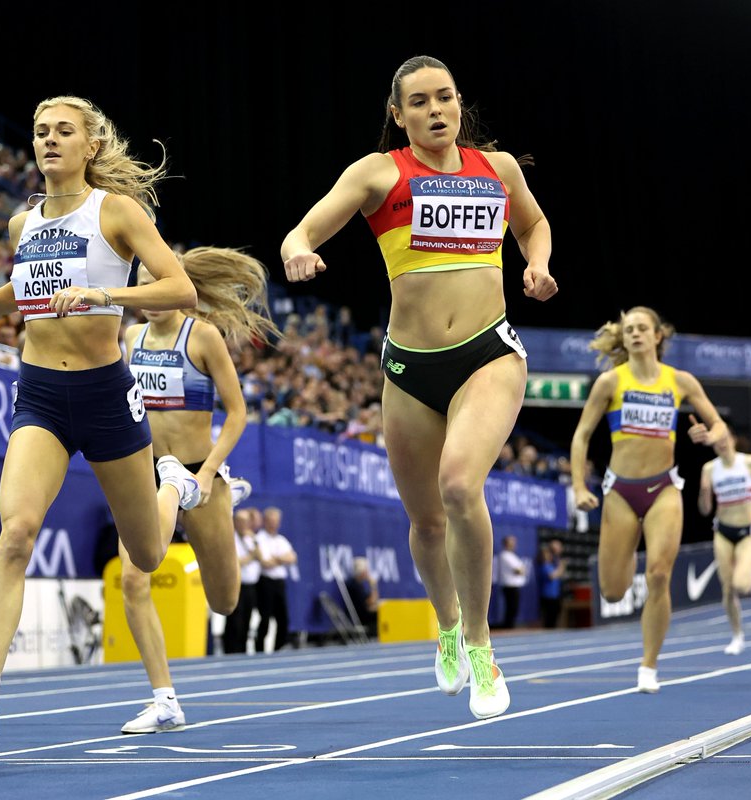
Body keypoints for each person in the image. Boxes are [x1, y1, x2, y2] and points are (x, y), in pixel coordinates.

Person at [0, 95, 199, 744]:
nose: (48, 140)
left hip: (105, 395)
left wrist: (105, 294)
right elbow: (21, 292)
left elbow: (181, 289)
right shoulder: (22, 224)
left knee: (145, 553)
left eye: (63, 131)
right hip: (39, 396)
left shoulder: (116, 211)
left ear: (91, 145)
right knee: (17, 531)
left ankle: (174, 482)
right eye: (39, 132)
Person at [280, 55, 557, 719]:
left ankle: (485, 648)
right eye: (421, 102)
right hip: (409, 368)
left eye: (447, 98)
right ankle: (449, 629)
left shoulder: (500, 169)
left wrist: (539, 265)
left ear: (460, 104)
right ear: (398, 114)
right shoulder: (378, 174)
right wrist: (297, 248)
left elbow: (533, 226)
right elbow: (307, 226)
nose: (437, 111)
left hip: (489, 353)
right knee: (426, 521)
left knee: (460, 485)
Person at [116, 247, 275, 733]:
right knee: (134, 578)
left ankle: (228, 489)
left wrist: (208, 473)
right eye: (145, 287)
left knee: (225, 601)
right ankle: (164, 700)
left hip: (198, 474)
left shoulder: (202, 337)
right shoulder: (130, 337)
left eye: (161, 284)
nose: (152, 297)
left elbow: (238, 412)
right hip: (148, 474)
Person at [570, 306, 728, 694]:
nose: (636, 334)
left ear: (658, 335)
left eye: (643, 328)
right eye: (629, 329)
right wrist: (578, 486)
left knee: (659, 574)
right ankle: (625, 563)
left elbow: (720, 425)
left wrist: (711, 435)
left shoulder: (681, 381)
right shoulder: (610, 382)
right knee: (613, 591)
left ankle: (648, 666)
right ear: (623, 338)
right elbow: (581, 437)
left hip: (664, 490)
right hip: (620, 492)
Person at [698, 433, 751, 655]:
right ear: (714, 447)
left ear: (733, 440)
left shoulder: (750, 462)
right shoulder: (709, 469)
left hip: (747, 533)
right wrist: (704, 493)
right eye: (717, 442)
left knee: (741, 585)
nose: (722, 444)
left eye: (725, 439)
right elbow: (705, 510)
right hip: (723, 532)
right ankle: (737, 636)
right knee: (727, 590)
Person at [254, 506, 297, 652]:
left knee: (283, 618)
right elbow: (265, 562)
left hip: (279, 582)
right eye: (270, 521)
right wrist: (282, 559)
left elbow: (292, 557)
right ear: (265, 521)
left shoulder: (281, 539)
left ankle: (280, 647)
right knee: (265, 618)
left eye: (276, 521)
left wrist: (277, 559)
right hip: (265, 582)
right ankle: (259, 648)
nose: (273, 524)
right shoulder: (259, 538)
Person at [222, 508, 262, 655]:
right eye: (241, 521)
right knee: (235, 620)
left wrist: (253, 543)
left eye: (246, 521)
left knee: (247, 619)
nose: (244, 524)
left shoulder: (250, 538)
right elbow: (235, 562)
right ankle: (231, 650)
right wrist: (252, 557)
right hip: (236, 584)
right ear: (235, 522)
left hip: (251, 586)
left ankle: (243, 650)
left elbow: (261, 558)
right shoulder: (230, 538)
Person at [496, 535, 527, 629]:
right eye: (511, 542)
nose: (514, 544)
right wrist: (521, 569)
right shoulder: (504, 555)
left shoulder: (512, 556)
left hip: (514, 586)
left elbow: (522, 570)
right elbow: (519, 570)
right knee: (511, 607)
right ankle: (508, 626)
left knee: (514, 608)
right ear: (506, 544)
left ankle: (510, 625)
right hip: (509, 586)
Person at [345, 556, 380, 636]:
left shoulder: (357, 584)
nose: (368, 572)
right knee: (382, 614)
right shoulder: (355, 585)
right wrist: (373, 586)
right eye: (366, 569)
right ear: (362, 571)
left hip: (361, 614)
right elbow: (371, 601)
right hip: (359, 617)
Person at [538, 540, 567, 629]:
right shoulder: (544, 566)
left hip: (555, 595)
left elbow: (559, 573)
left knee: (554, 617)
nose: (550, 555)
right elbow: (552, 576)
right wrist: (562, 567)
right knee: (549, 619)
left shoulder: (551, 565)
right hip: (548, 596)